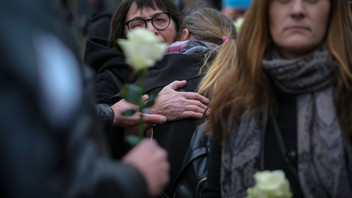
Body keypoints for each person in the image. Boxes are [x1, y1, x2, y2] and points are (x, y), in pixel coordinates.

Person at [0, 0, 170, 198]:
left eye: (159, 20)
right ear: (123, 35)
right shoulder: (17, 22)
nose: (150, 30)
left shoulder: (46, 16)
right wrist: (134, 177)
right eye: (138, 24)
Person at [203, 0, 352, 197]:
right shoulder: (234, 97)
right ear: (265, 9)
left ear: (333, 9)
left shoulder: (346, 92)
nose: (297, 10)